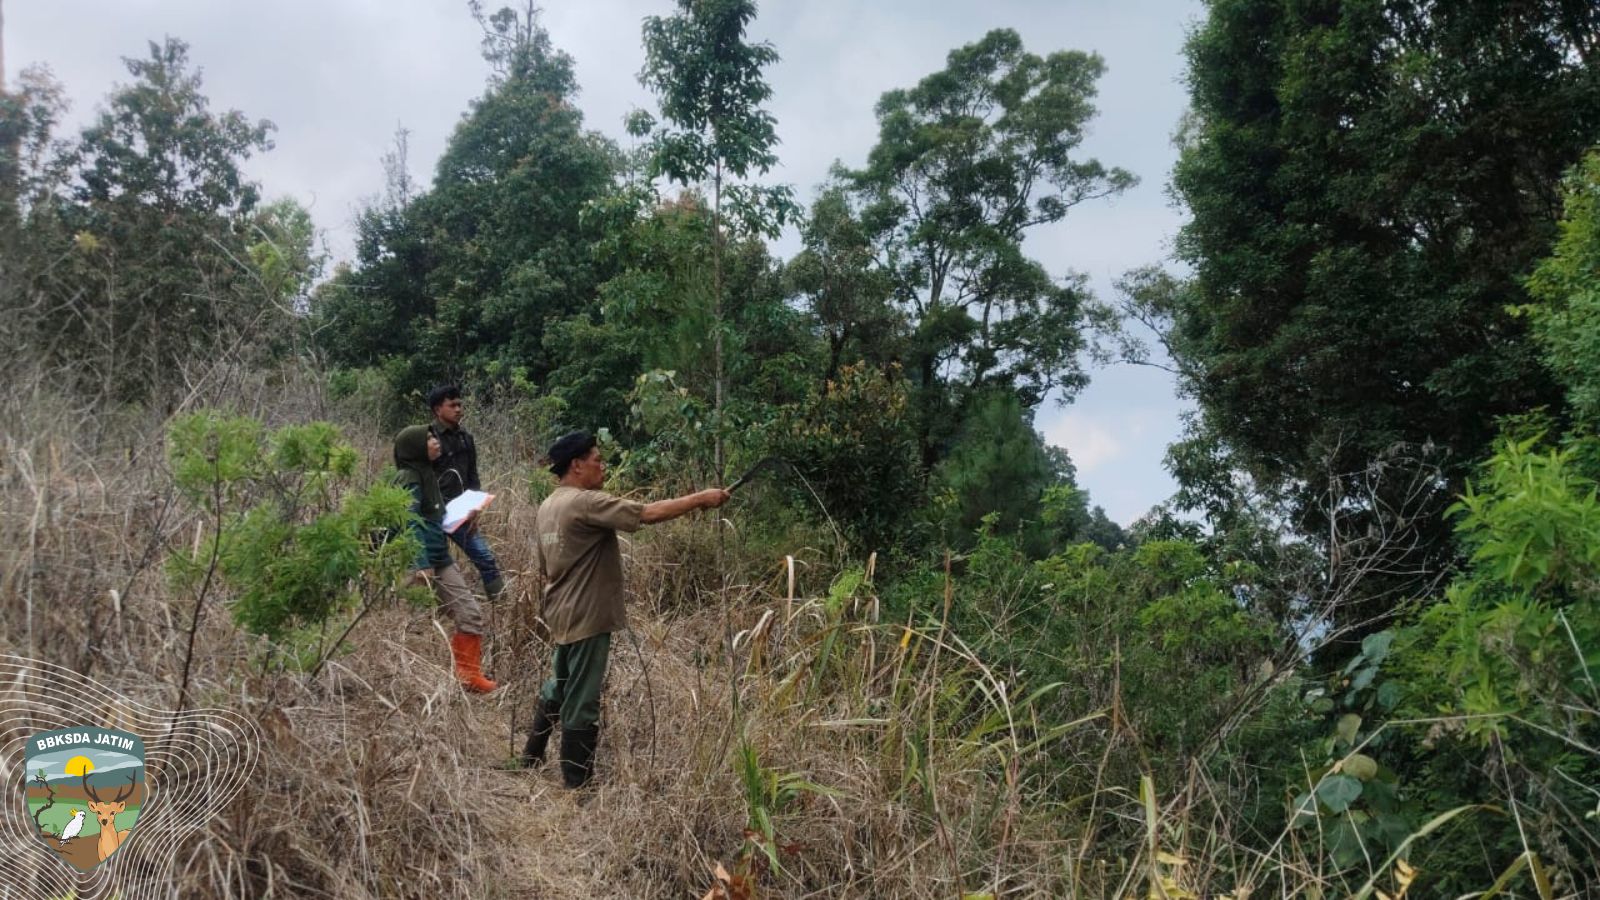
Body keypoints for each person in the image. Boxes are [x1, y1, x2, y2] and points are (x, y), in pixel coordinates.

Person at [517, 430, 729, 787]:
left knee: (559, 686)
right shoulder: (584, 501)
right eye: (597, 460)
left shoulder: (548, 506)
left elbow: (545, 569)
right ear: (577, 465)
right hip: (587, 615)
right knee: (582, 700)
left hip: (561, 613)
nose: (603, 466)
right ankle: (576, 786)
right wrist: (700, 499)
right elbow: (645, 515)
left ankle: (530, 756)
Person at [393, 425, 497, 693]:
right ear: (414, 447)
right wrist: (419, 563)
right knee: (414, 628)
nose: (435, 441)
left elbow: (433, 517)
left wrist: (464, 516)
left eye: (433, 436)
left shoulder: (427, 474)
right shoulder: (409, 478)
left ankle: (468, 677)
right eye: (428, 439)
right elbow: (410, 522)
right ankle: (410, 688)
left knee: (470, 614)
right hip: (419, 563)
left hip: (438, 558)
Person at [427, 385, 505, 600]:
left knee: (485, 558)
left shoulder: (465, 438)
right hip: (433, 513)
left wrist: (475, 509)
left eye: (460, 404)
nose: (458, 409)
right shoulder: (428, 438)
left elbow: (473, 476)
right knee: (432, 566)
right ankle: (434, 613)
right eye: (452, 405)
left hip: (459, 512)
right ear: (437, 410)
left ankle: (502, 608)